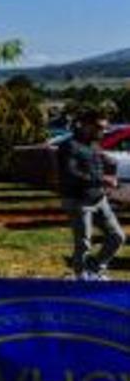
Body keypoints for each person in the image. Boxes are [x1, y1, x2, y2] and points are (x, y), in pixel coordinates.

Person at [58, 110, 125, 279]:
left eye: (104, 128)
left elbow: (95, 166)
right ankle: (81, 279)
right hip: (79, 201)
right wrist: (102, 179)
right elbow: (71, 174)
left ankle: (94, 269)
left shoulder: (94, 145)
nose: (102, 132)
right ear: (86, 125)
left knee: (117, 236)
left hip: (99, 199)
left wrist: (107, 164)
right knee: (83, 244)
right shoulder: (69, 146)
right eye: (98, 127)